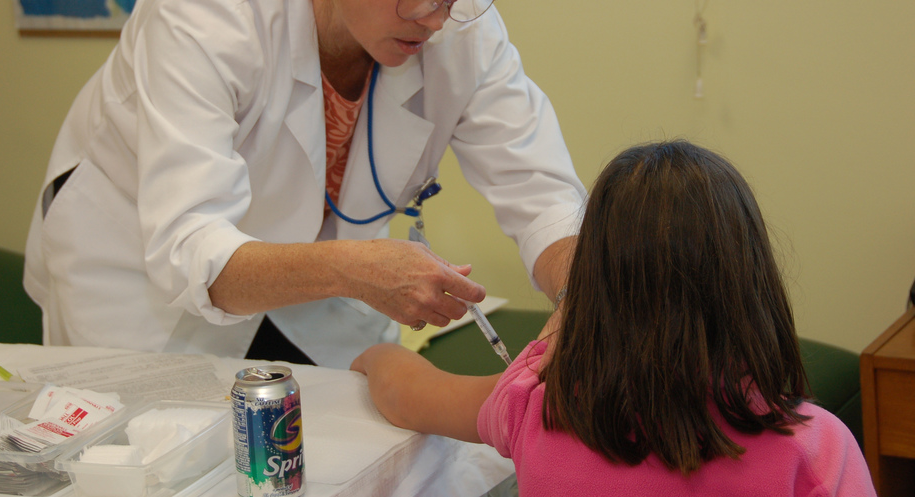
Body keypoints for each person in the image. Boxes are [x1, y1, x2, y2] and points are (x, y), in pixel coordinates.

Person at [22, 0, 586, 369]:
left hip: (318, 288)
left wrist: (586, 306)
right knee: (160, 451)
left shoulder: (463, 26)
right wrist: (356, 271)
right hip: (140, 280)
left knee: (348, 442)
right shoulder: (209, 14)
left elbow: (541, 195)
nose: (435, 16)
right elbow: (193, 253)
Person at [351, 140, 875, 496]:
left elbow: (404, 393)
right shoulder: (814, 445)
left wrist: (371, 354)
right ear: (752, 285)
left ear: (591, 286)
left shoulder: (535, 407)